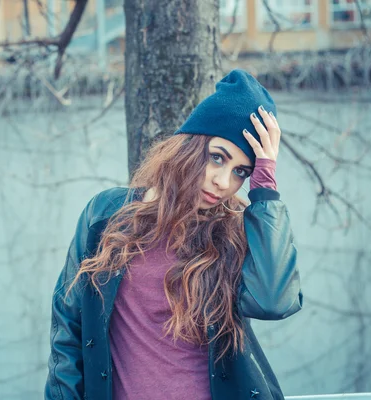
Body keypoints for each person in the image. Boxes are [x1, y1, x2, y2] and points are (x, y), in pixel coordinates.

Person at [44, 69, 303, 400]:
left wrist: (265, 187)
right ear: (190, 146)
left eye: (241, 172)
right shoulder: (106, 215)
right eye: (217, 158)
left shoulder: (233, 232)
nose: (224, 182)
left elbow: (273, 301)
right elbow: (67, 329)